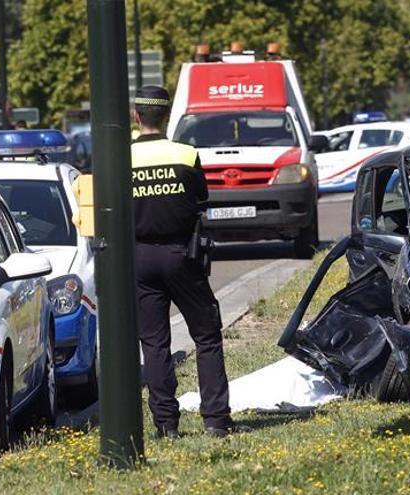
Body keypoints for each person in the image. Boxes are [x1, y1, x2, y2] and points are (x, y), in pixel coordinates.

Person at [130, 85, 248, 439]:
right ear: (166, 116)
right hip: (182, 254)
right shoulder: (185, 154)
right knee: (206, 335)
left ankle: (166, 425)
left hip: (139, 257)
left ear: (137, 116)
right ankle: (215, 419)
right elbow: (201, 199)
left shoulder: (121, 158)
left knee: (154, 343)